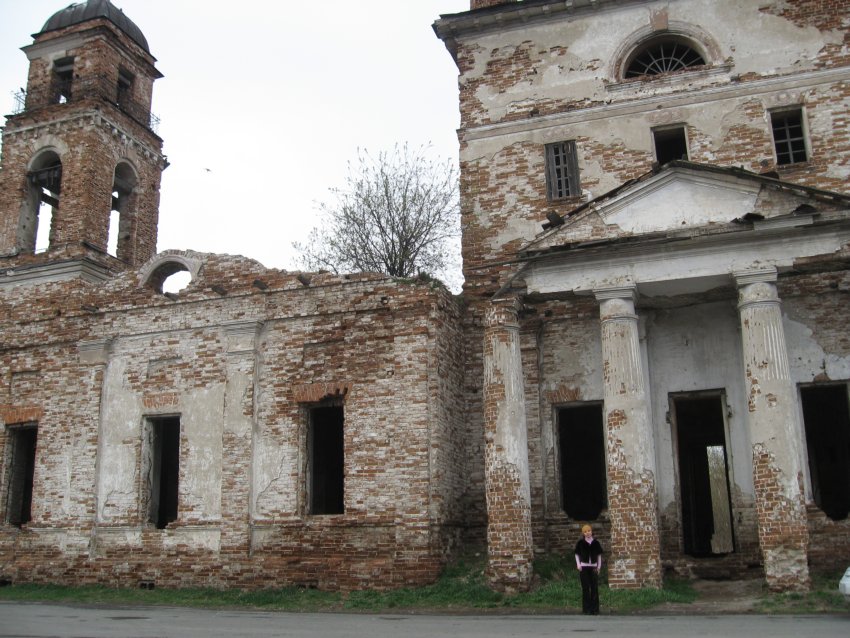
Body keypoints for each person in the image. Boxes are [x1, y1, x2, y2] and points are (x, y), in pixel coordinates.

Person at [574, 524, 603, 615]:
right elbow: (576, 554)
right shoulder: (580, 543)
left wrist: (598, 567)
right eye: (585, 532)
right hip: (584, 567)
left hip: (593, 567)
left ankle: (595, 609)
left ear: (591, 531)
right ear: (583, 533)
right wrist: (579, 565)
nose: (587, 533)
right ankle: (586, 609)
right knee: (585, 588)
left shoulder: (596, 543)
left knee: (594, 588)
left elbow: (599, 556)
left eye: (589, 531)